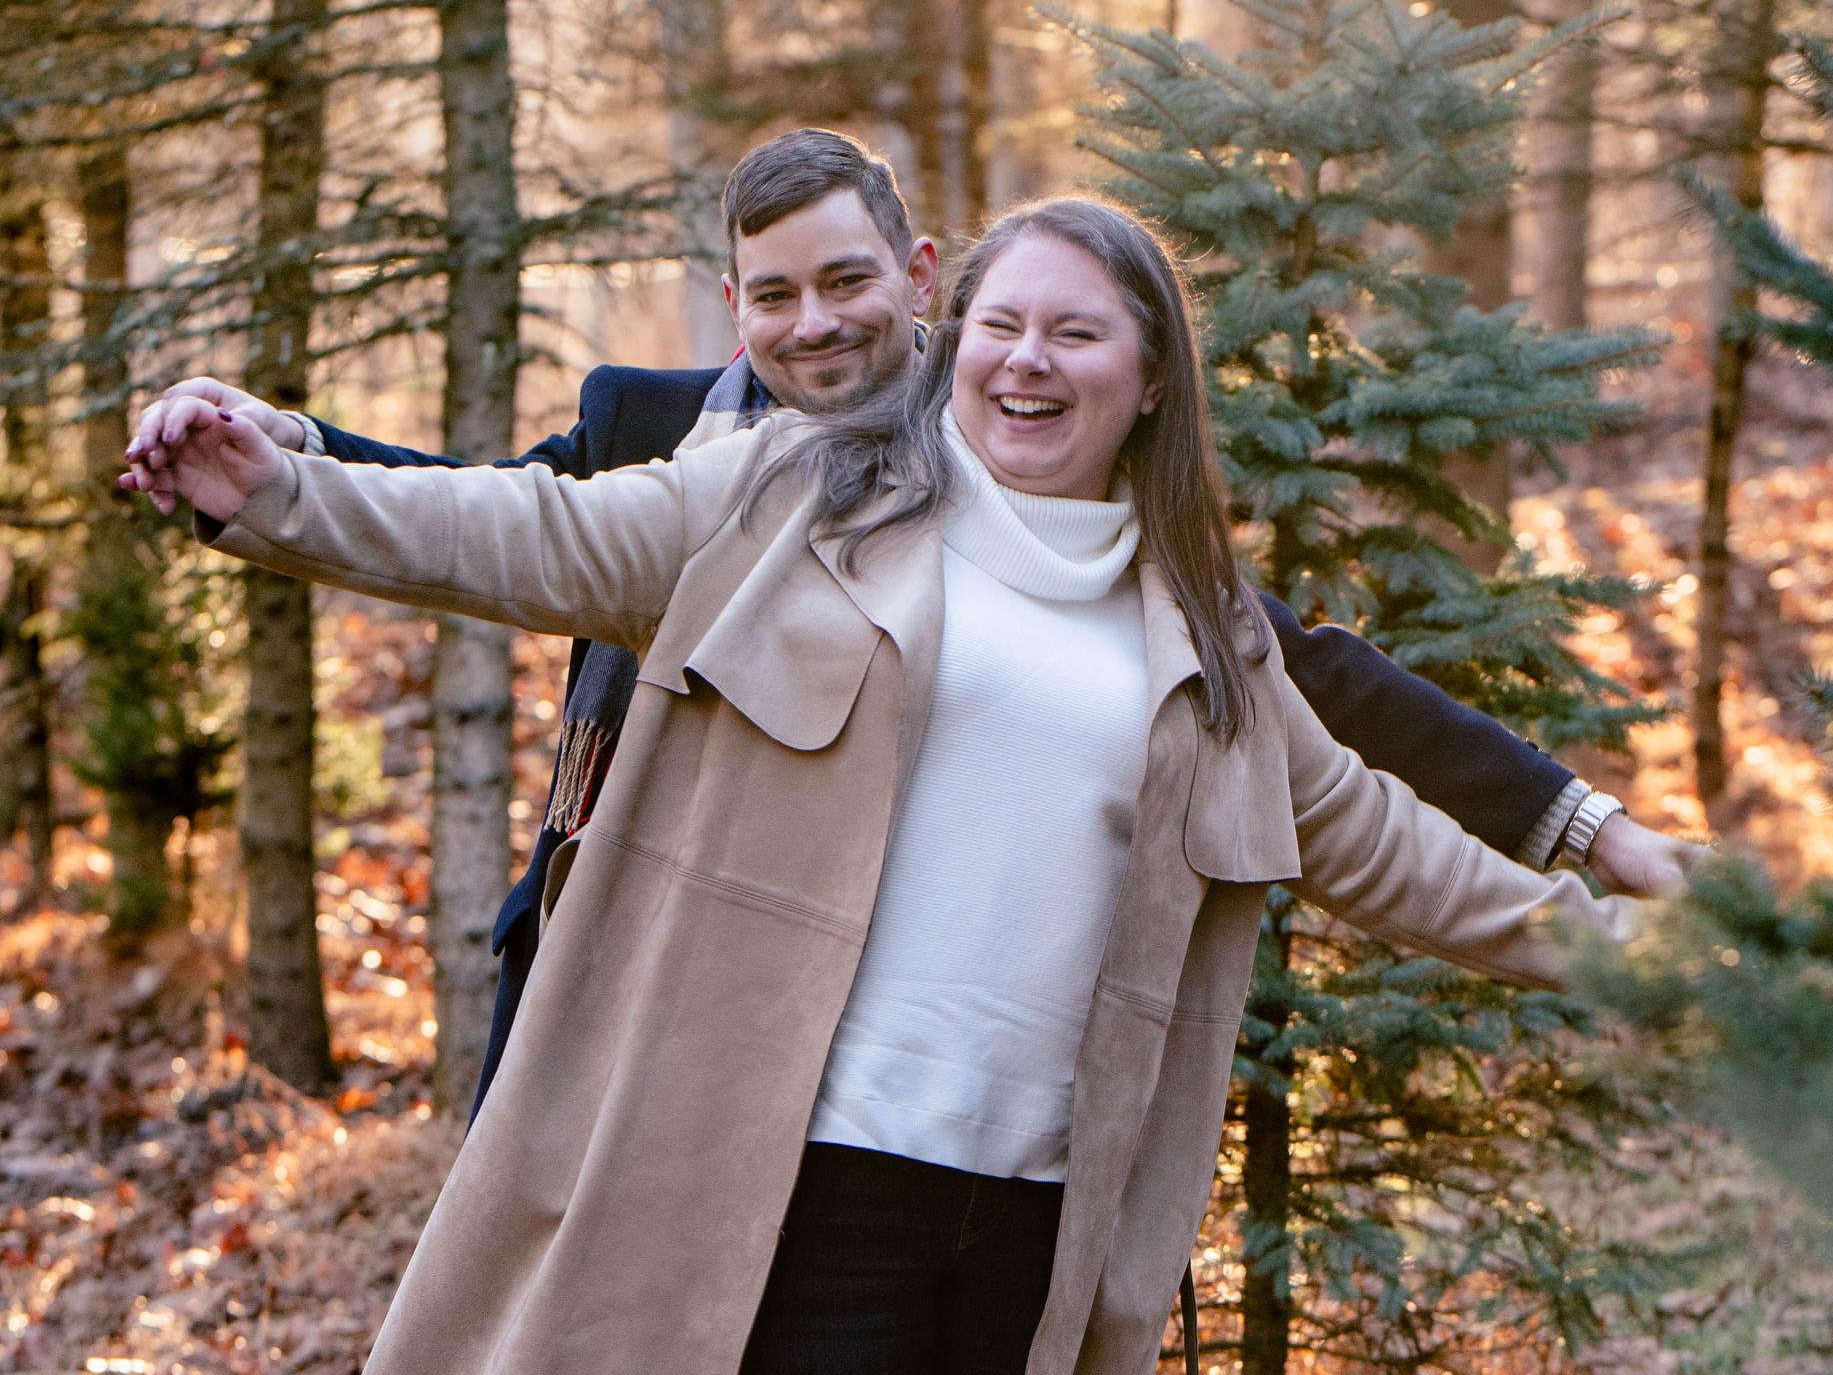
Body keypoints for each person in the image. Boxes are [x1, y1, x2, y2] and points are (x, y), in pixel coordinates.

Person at [129, 196, 1657, 1375]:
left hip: (1038, 1220)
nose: (1028, 362)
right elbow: (516, 531)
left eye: (1077, 332)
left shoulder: (1205, 640)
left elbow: (1392, 849)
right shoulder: (786, 496)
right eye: (1001, 324)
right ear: (955, 337)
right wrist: (278, 487)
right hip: (810, 1185)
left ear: (1148, 376)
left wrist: (1655, 947)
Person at [128, 130, 1691, 1121]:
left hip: (911, 1087)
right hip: (621, 969)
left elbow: (1308, 696)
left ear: (918, 280)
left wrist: (1578, 825)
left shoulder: (1058, 487)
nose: (816, 325)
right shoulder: (671, 444)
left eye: (848, 284)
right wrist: (283, 462)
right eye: (773, 295)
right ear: (734, 304)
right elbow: (501, 525)